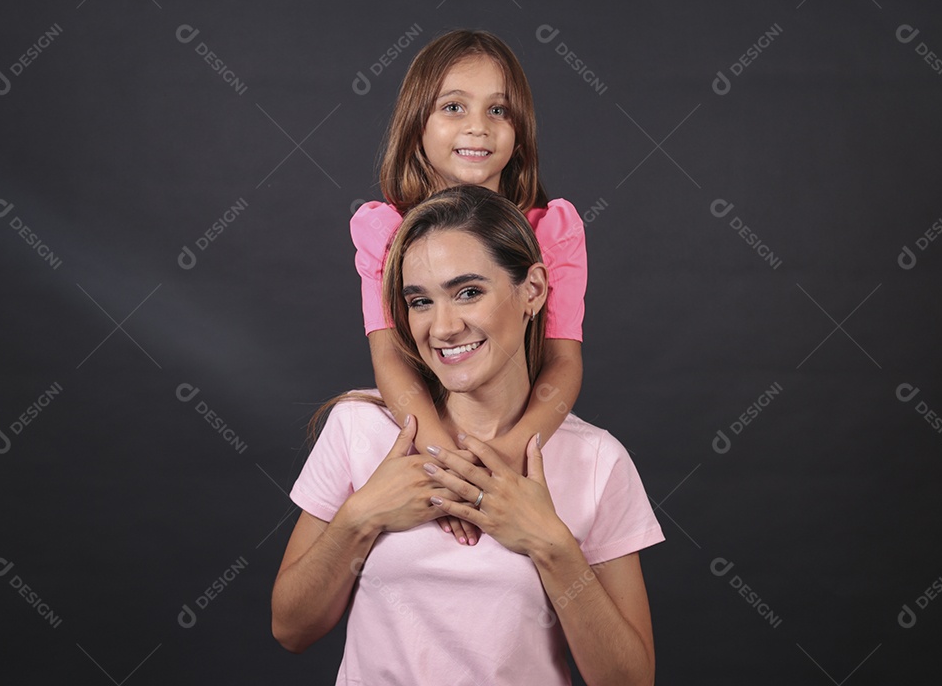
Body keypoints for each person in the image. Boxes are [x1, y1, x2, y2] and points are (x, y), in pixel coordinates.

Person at [273, 186, 663, 685]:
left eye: (469, 292)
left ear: (534, 291)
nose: (443, 327)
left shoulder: (597, 460)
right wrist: (360, 517)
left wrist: (551, 545)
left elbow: (630, 681)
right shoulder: (359, 427)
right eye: (420, 301)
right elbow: (290, 628)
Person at [351, 29, 587, 546]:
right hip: (427, 434)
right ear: (417, 128)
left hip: (514, 440)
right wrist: (448, 467)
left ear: (519, 133)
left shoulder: (552, 231)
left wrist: (503, 465)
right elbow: (389, 355)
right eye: (453, 107)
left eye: (498, 111)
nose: (478, 127)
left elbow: (563, 363)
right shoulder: (383, 231)